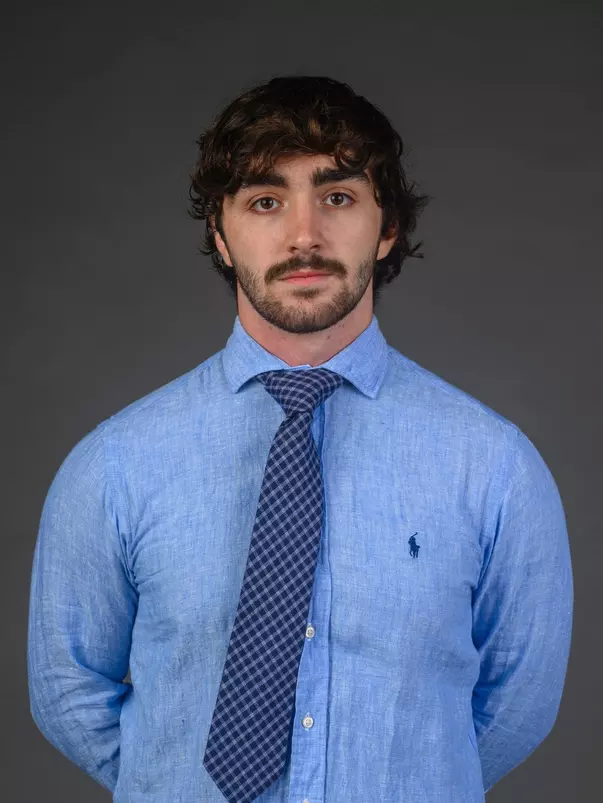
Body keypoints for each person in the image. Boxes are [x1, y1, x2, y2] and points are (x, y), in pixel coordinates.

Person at [27, 75, 573, 803]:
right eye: (264, 201)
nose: (304, 234)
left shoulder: (495, 466)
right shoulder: (115, 464)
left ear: (386, 229)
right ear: (221, 236)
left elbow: (517, 702)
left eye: (338, 197)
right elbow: (66, 687)